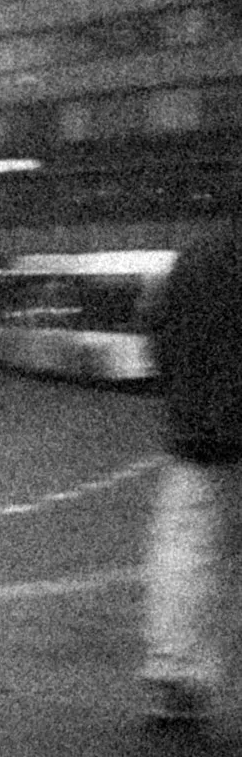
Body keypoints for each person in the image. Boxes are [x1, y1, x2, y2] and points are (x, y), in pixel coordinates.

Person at [139, 218, 242, 723]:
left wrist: (183, 402)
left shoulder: (194, 258)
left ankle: (175, 676)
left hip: (198, 436)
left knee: (186, 551)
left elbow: (155, 331)